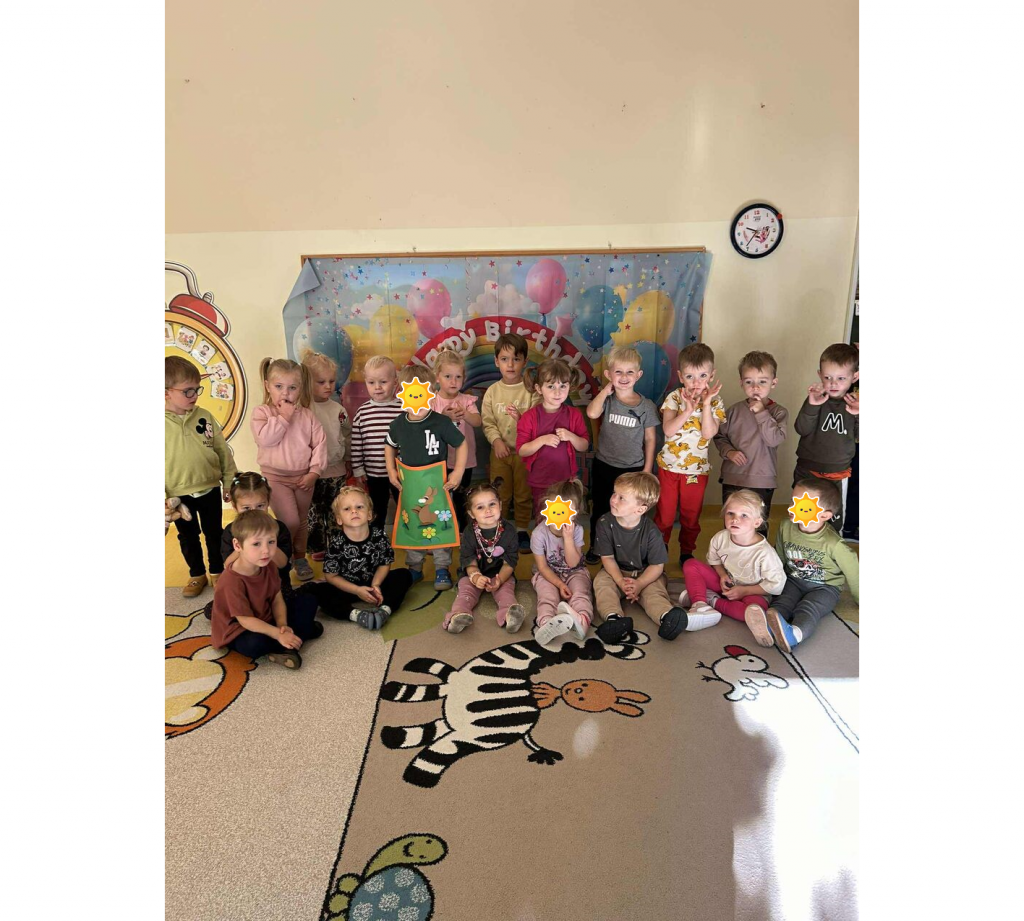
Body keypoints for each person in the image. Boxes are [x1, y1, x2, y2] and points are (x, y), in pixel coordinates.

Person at [745, 478, 859, 653]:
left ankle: (795, 635)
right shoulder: (786, 526)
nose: (792, 507)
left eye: (802, 506)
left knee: (808, 608)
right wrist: (770, 581)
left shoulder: (834, 544)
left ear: (824, 515)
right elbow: (779, 556)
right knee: (781, 602)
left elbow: (854, 572)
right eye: (793, 501)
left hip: (825, 587)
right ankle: (768, 629)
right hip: (794, 580)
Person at [385, 366, 467, 590]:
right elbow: (389, 446)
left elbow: (461, 444)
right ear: (402, 394)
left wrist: (458, 472)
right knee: (412, 524)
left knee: (439, 523)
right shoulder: (398, 424)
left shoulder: (441, 422)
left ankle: (442, 568)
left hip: (438, 486)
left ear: (431, 393)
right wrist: (391, 470)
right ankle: (415, 568)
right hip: (410, 487)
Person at [210, 509, 323, 670]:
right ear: (237, 545)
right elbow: (245, 620)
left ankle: (288, 641)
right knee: (254, 645)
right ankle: (294, 640)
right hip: (240, 629)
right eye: (256, 544)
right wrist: (277, 634)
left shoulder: (268, 564)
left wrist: (282, 626)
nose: (266, 550)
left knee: (308, 600)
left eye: (271, 542)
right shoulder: (231, 580)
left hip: (266, 617)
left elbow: (277, 599)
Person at [165, 355, 237, 597]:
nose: (194, 395)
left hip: (209, 488)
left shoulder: (204, 416)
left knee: (214, 532)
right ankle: (197, 574)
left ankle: (218, 570)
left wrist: (229, 481)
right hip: (177, 495)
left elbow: (222, 450)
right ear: (166, 393)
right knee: (188, 536)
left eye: (197, 389)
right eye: (187, 391)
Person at [250, 357, 327, 582]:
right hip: (275, 478)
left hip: (304, 478)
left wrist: (314, 472)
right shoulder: (262, 413)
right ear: (267, 386)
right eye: (279, 386)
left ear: (300, 388)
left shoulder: (307, 415)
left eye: (292, 388)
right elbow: (266, 440)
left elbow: (320, 444)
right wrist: (284, 417)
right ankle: (278, 557)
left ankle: (299, 558)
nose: (286, 393)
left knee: (301, 522)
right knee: (290, 521)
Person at [584, 345, 660, 563]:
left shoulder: (646, 406)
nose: (624, 377)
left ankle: (628, 550)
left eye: (629, 372)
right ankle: (597, 546)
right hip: (604, 465)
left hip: (633, 469)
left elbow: (650, 439)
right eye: (618, 372)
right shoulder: (607, 400)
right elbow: (592, 413)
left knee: (630, 512)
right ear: (609, 375)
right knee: (601, 508)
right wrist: (604, 391)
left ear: (638, 375)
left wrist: (647, 469)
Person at [592, 472, 688, 643]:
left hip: (646, 573)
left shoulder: (651, 531)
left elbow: (657, 566)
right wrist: (620, 581)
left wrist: (640, 583)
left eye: (621, 498)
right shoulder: (604, 523)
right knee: (602, 585)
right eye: (614, 493)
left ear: (640, 509)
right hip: (615, 571)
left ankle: (666, 617)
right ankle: (613, 619)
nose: (613, 499)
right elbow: (607, 558)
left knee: (654, 592)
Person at [654, 343, 727, 567]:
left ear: (711, 375)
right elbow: (668, 430)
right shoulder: (674, 398)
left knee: (690, 516)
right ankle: (660, 549)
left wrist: (706, 404)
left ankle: (686, 551)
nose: (696, 382)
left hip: (696, 471)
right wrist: (687, 410)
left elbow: (708, 433)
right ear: (680, 376)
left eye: (703, 376)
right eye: (690, 376)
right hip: (668, 469)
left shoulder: (715, 401)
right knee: (665, 516)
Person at [300, 486, 413, 630]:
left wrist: (376, 584)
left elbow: (384, 563)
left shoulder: (379, 536)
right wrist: (357, 590)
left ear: (369, 514)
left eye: (359, 507)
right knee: (318, 591)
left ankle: (385, 610)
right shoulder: (336, 543)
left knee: (404, 575)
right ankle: (356, 615)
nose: (354, 511)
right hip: (347, 588)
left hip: (374, 584)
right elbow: (331, 576)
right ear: (339, 519)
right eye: (347, 509)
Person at [680, 489, 786, 628]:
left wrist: (744, 591)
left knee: (755, 612)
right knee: (690, 564)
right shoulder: (720, 538)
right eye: (730, 513)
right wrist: (722, 575)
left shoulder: (765, 553)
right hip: (724, 585)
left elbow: (776, 584)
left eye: (744, 515)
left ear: (757, 522)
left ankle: (711, 600)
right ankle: (699, 604)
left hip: (752, 592)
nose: (735, 519)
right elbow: (714, 561)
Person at [713, 350, 788, 538]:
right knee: (732, 525)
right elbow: (719, 436)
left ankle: (757, 556)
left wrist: (761, 412)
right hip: (733, 479)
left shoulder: (778, 412)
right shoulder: (733, 411)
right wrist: (729, 452)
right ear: (741, 383)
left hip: (761, 480)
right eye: (749, 382)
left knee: (758, 526)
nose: (755, 387)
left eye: (762, 381)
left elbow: (774, 439)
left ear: (773, 383)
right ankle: (729, 555)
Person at [203, 472, 295, 620]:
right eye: (246, 508)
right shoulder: (231, 531)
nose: (254, 513)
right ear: (235, 506)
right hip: (244, 588)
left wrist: (268, 539)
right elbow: (228, 565)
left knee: (292, 605)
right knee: (212, 610)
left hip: (276, 588)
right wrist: (244, 544)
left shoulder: (279, 528)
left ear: (268, 502)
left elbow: (282, 563)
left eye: (260, 506)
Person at [480, 333, 539, 551]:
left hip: (525, 454)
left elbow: (537, 422)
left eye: (516, 359)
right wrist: (496, 441)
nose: (511, 365)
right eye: (505, 359)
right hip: (500, 454)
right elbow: (488, 422)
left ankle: (522, 530)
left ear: (525, 361)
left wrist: (521, 419)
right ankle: (499, 529)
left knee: (523, 494)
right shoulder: (492, 392)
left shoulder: (532, 390)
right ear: (497, 361)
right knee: (500, 494)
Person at [443, 478, 525, 634]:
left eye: (492, 504)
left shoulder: (509, 530)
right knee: (466, 592)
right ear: (471, 513)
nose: (488, 510)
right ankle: (457, 615)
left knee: (506, 593)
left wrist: (500, 580)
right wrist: (475, 577)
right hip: (473, 572)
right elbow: (468, 560)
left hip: (501, 572)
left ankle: (510, 615)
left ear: (500, 505)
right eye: (480, 507)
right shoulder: (469, 532)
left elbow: (509, 562)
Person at [793, 343, 860, 532]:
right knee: (802, 515)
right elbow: (801, 428)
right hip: (807, 470)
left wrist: (859, 415)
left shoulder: (856, 403)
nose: (833, 383)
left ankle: (829, 549)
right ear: (820, 374)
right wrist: (812, 406)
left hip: (837, 473)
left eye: (841, 378)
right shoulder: (816, 398)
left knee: (833, 519)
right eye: (827, 377)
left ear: (855, 377)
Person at [516, 357, 590, 520]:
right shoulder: (529, 417)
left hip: (566, 481)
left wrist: (571, 436)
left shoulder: (574, 414)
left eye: (563, 386)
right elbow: (522, 450)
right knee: (543, 519)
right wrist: (542, 440)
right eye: (551, 386)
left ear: (569, 386)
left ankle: (566, 538)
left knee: (565, 519)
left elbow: (584, 445)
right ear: (539, 388)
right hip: (540, 480)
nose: (558, 392)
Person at [301, 348, 351, 562]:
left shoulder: (338, 409)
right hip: (312, 472)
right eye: (321, 382)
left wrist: (348, 459)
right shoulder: (303, 409)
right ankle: (317, 546)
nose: (328, 386)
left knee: (335, 511)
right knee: (314, 512)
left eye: (331, 381)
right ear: (307, 382)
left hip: (336, 469)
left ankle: (337, 545)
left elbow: (347, 435)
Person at [531, 478, 593, 645]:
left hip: (574, 571)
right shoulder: (538, 534)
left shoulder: (577, 530)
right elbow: (542, 567)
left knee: (580, 593)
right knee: (547, 596)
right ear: (547, 509)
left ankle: (582, 620)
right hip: (548, 573)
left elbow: (573, 563)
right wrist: (559, 584)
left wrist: (568, 538)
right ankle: (546, 623)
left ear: (575, 513)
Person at [430, 348, 481, 531]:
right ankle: (441, 530)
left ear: (464, 378)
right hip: (439, 460)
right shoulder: (432, 402)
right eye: (448, 376)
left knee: (461, 497)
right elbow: (426, 428)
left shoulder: (466, 400)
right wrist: (442, 417)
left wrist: (466, 414)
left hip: (464, 461)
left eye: (458, 377)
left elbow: (477, 422)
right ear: (437, 377)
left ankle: (462, 530)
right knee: (439, 497)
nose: (453, 381)